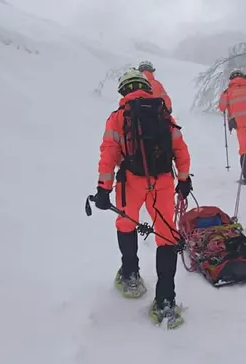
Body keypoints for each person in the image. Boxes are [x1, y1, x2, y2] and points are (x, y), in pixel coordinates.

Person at [92, 68, 192, 328]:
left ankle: (130, 275)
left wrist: (104, 188)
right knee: (166, 235)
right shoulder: (163, 114)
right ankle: (166, 301)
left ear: (124, 90)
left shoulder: (117, 117)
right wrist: (183, 179)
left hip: (131, 182)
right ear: (145, 88)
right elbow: (180, 149)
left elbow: (109, 154)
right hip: (163, 183)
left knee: (126, 224)